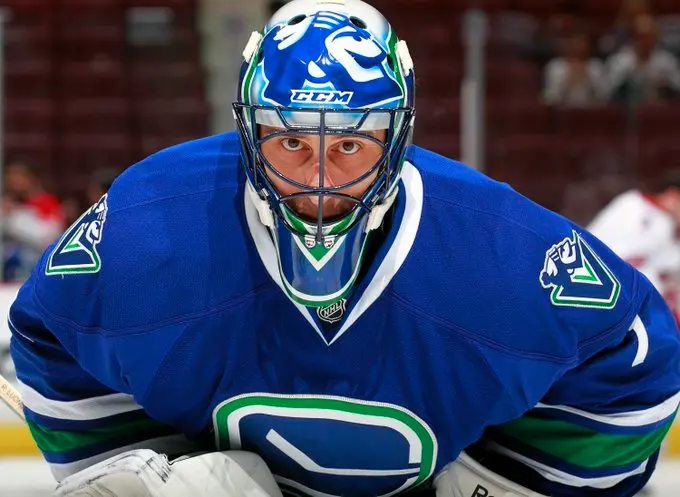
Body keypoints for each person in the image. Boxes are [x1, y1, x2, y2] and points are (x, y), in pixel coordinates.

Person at [8, 1, 680, 496]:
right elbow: (49, 330)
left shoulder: (500, 250)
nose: (319, 179)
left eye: (350, 144)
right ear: (247, 133)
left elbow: (634, 359)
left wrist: (500, 485)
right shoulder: (146, 233)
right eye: (291, 141)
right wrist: (144, 463)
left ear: (398, 140)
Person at [588, 172, 680, 322]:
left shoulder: (668, 227)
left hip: (639, 307)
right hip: (608, 294)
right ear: (673, 195)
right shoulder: (633, 204)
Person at [2, 159, 65, 281]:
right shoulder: (7, 205)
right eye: (9, 176)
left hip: (36, 272)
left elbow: (50, 238)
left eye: (17, 177)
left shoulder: (48, 203)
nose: (12, 181)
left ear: (32, 178)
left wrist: (13, 218)